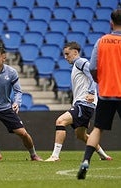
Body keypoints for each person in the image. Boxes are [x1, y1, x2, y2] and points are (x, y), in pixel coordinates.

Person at [45, 42, 112, 162]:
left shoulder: (80, 62)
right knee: (81, 135)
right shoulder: (77, 65)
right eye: (64, 54)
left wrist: (91, 92)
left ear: (75, 52)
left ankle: (55, 156)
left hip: (84, 104)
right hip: (85, 104)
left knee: (60, 121)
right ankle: (104, 155)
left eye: (67, 54)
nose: (65, 57)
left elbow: (94, 75)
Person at [77, 9, 121, 180]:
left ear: (111, 23)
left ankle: (86, 161)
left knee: (97, 128)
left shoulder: (102, 41)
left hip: (106, 92)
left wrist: (100, 80)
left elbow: (93, 67)